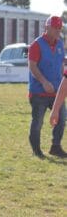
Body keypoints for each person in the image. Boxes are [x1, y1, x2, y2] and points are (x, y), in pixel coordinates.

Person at [28, 16, 66, 158]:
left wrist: (63, 82)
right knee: (38, 122)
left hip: (56, 91)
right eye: (55, 27)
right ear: (47, 27)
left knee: (62, 119)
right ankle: (36, 150)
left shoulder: (60, 44)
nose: (58, 30)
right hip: (39, 92)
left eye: (59, 28)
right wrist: (43, 81)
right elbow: (32, 66)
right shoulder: (36, 45)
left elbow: (61, 65)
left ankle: (55, 147)